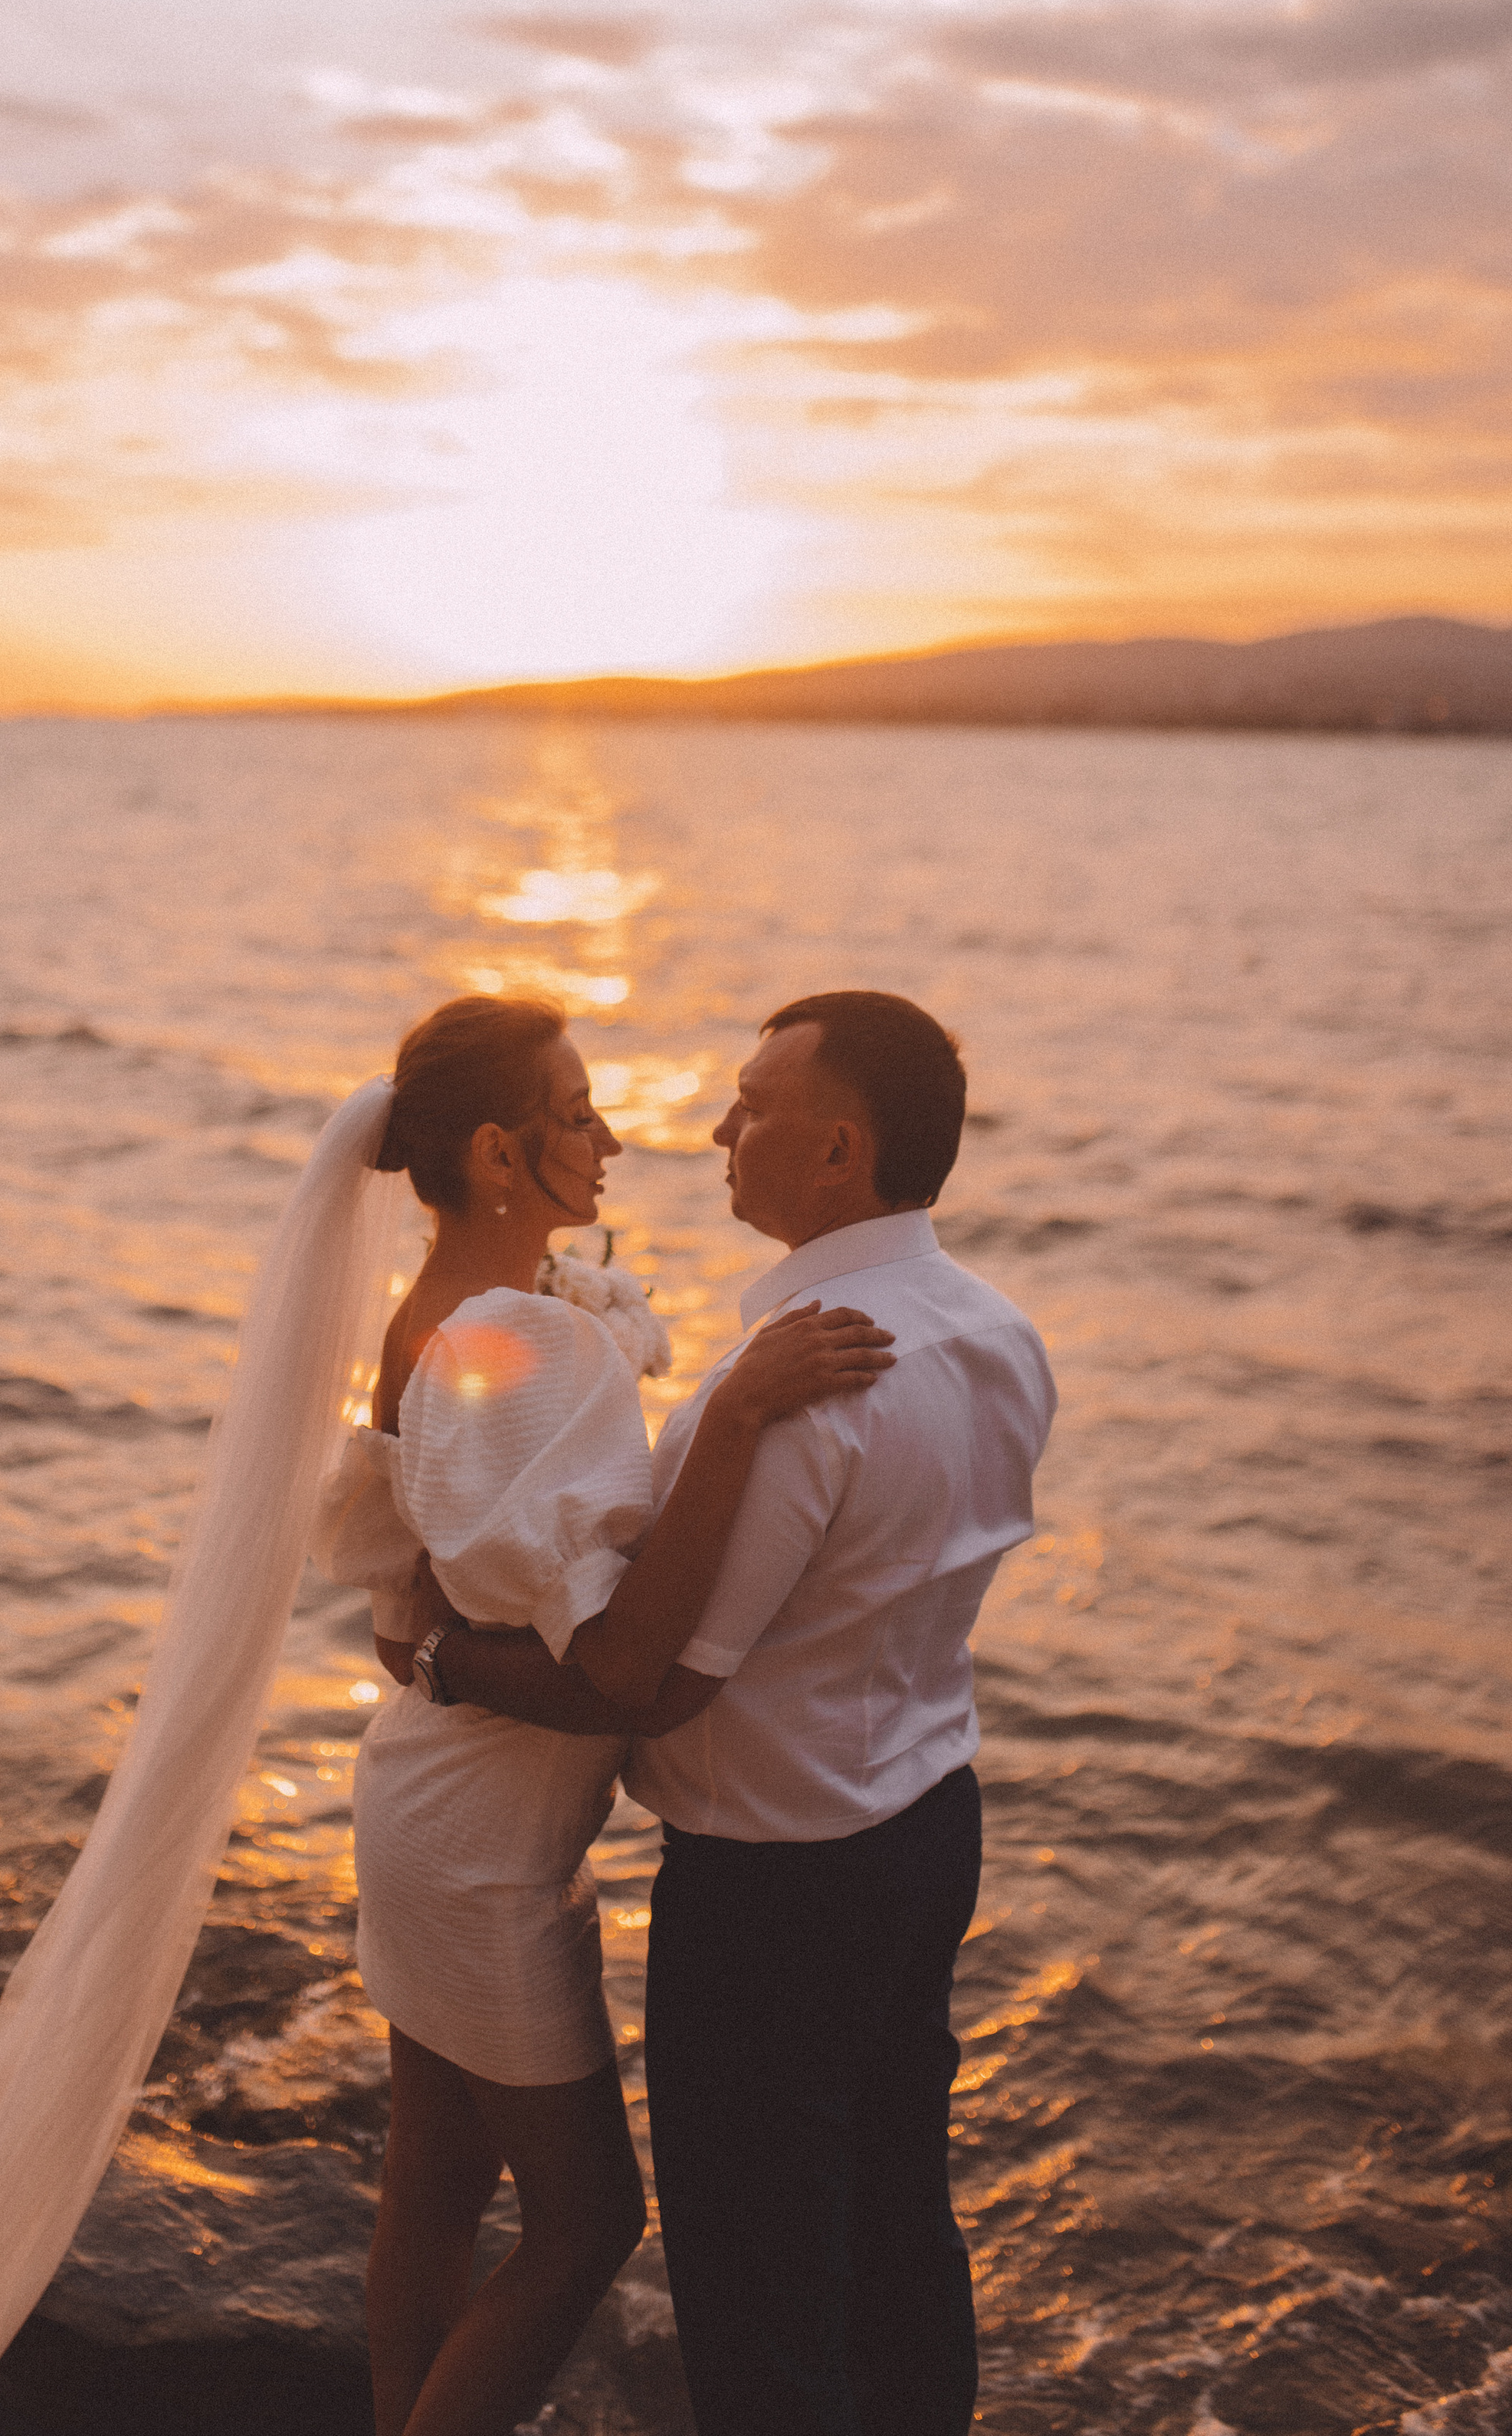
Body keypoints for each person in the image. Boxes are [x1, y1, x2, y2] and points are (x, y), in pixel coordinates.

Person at [422, 990, 1057, 2436]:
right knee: (902, 2221)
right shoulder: (1000, 1332)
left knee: (762, 2294)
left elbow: (652, 1677)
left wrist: (450, 1663)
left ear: (838, 1151)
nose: (717, 1127)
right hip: (926, 1831)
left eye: (754, 1107)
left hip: (778, 1890)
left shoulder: (796, 1389)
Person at [314, 993, 897, 2436]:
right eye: (581, 1115)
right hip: (479, 1853)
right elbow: (624, 1666)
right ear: (502, 1152)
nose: (617, 1137)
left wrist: (440, 1657)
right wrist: (746, 1408)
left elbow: (413, 1610)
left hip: (430, 1806)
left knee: (436, 2182)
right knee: (587, 2229)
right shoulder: (517, 1343)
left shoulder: (441, 1317)